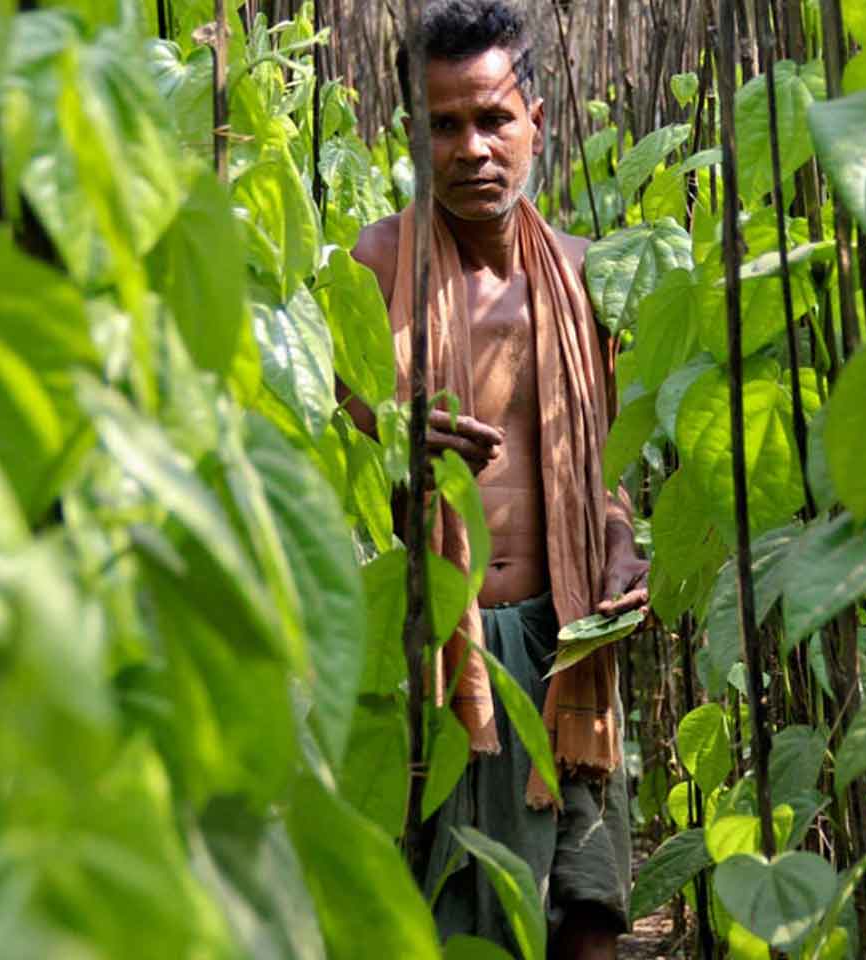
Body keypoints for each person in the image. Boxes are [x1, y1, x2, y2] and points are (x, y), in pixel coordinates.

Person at [346, 2, 647, 957]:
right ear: (414, 133)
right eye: (445, 124)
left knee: (587, 918)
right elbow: (344, 468)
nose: (472, 148)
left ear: (537, 124)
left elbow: (606, 470)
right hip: (440, 654)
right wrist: (405, 452)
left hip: (565, 649)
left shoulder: (582, 276)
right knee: (453, 917)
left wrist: (616, 543)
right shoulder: (380, 266)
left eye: (493, 120)